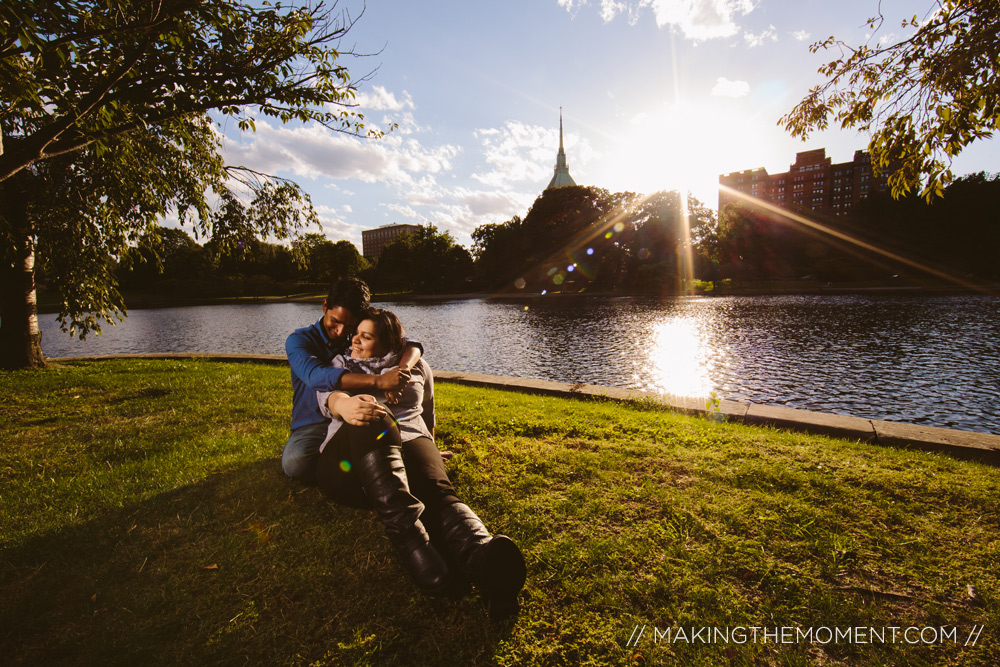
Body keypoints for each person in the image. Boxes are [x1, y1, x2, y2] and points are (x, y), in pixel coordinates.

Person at [316, 307, 527, 618]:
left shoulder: (417, 367)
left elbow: (426, 415)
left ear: (388, 342)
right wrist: (345, 404)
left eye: (366, 336)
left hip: (409, 442)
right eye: (356, 333)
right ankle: (413, 545)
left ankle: (483, 559)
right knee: (377, 415)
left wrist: (430, 450)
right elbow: (325, 399)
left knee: (435, 488)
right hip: (348, 462)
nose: (355, 341)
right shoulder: (340, 365)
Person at [282, 277, 420, 484]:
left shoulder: (356, 333)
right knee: (296, 463)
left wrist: (402, 372)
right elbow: (315, 376)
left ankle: (380, 463)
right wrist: (379, 381)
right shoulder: (299, 340)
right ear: (325, 306)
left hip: (354, 412)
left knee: (377, 428)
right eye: (335, 322)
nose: (341, 332)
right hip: (314, 422)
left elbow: (407, 342)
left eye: (350, 326)